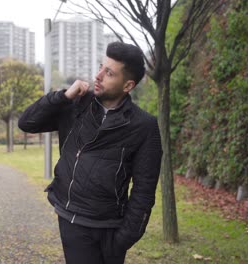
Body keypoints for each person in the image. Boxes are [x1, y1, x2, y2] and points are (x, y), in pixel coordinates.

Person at [18, 42, 162, 264]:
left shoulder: (144, 126)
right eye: (100, 67)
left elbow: (144, 191)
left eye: (109, 73)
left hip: (110, 229)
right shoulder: (76, 103)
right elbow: (27, 122)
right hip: (72, 220)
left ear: (128, 85)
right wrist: (63, 96)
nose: (98, 76)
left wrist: (125, 238)